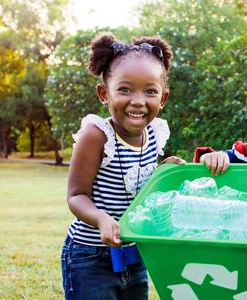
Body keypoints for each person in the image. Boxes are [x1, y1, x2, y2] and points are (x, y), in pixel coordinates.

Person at [61, 32, 184, 299]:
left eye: (150, 91)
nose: (138, 101)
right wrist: (101, 219)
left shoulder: (155, 133)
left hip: (134, 252)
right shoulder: (96, 135)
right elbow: (76, 195)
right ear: (104, 93)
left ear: (162, 98)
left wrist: (164, 171)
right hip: (91, 257)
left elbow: (139, 184)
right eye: (125, 89)